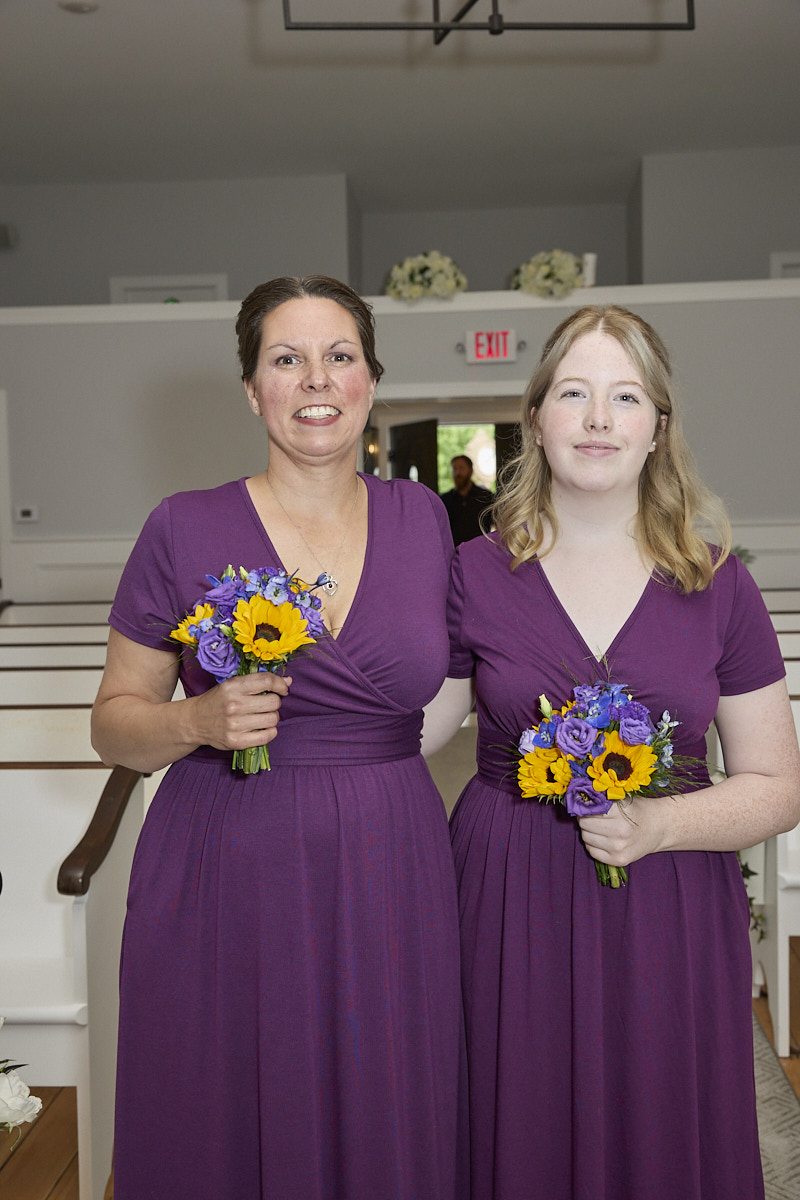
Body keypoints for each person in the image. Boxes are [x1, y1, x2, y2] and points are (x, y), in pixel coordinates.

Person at [91, 276, 465, 1200]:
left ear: (371, 380)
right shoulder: (182, 526)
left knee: (386, 1093)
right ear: (252, 389)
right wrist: (194, 720)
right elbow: (114, 722)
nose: (316, 380)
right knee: (227, 1104)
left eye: (340, 356)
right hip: (228, 860)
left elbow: (464, 679)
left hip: (391, 857)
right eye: (286, 359)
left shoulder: (423, 518)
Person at [422, 304, 800, 1199]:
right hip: (505, 895)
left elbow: (778, 785)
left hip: (670, 897)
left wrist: (659, 826)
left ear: (658, 427)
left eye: (625, 397)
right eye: (574, 394)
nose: (598, 419)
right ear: (535, 419)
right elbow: (414, 730)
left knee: (661, 1125)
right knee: (516, 1122)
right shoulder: (470, 574)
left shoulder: (720, 584)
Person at [441, 454, 494, 545]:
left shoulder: (485, 497)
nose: (457, 473)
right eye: (454, 469)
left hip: (481, 549)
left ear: (471, 471)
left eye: (461, 468)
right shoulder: (445, 499)